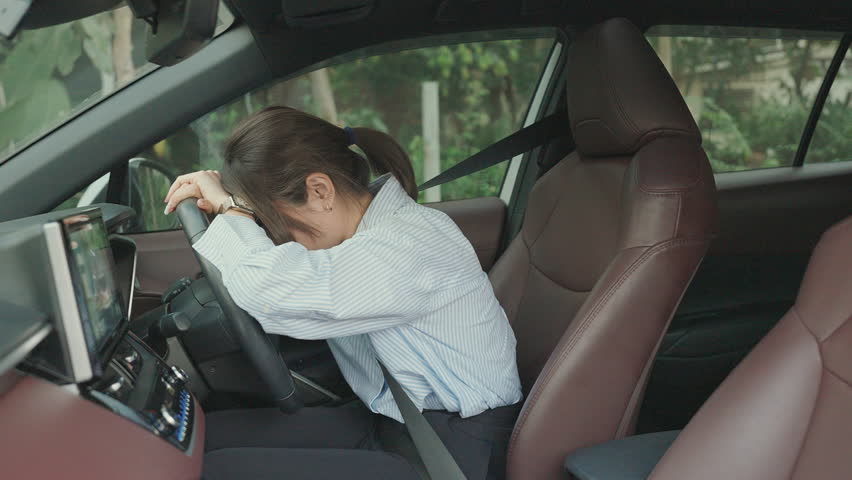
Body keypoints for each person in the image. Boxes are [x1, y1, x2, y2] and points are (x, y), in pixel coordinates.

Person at [163, 106, 522, 479]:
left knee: (214, 472)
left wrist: (230, 209)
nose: (275, 239)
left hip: (452, 453)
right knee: (195, 441)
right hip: (396, 424)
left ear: (320, 191)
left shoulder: (410, 244)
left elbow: (276, 294)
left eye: (275, 225)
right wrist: (238, 204)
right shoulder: (365, 239)